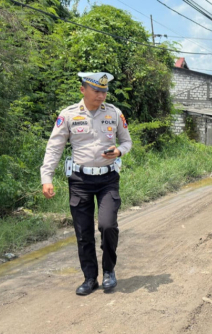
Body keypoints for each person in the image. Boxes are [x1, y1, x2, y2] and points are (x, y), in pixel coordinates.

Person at [41, 72, 132, 296]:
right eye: (97, 91)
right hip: (80, 180)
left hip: (108, 179)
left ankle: (109, 271)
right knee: (83, 232)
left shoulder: (114, 113)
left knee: (107, 225)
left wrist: (120, 150)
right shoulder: (68, 115)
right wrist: (47, 177)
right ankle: (90, 278)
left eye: (104, 91)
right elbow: (55, 147)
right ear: (83, 90)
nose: (101, 96)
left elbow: (127, 141)